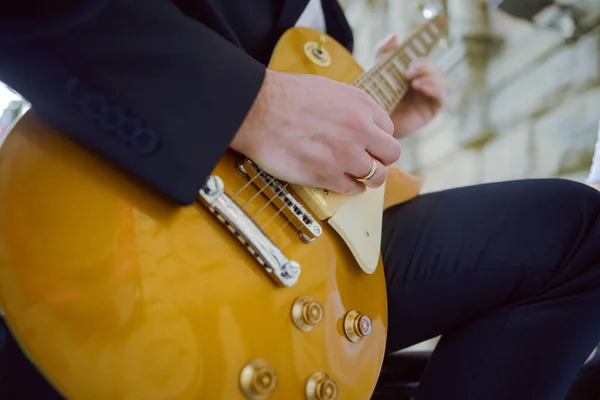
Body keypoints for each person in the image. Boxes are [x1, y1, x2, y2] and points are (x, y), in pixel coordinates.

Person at [1, 1, 600, 399]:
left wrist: (374, 129)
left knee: (575, 233)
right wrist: (249, 105)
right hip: (139, 192)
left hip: (298, 235)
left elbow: (297, 120)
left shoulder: (328, 19)